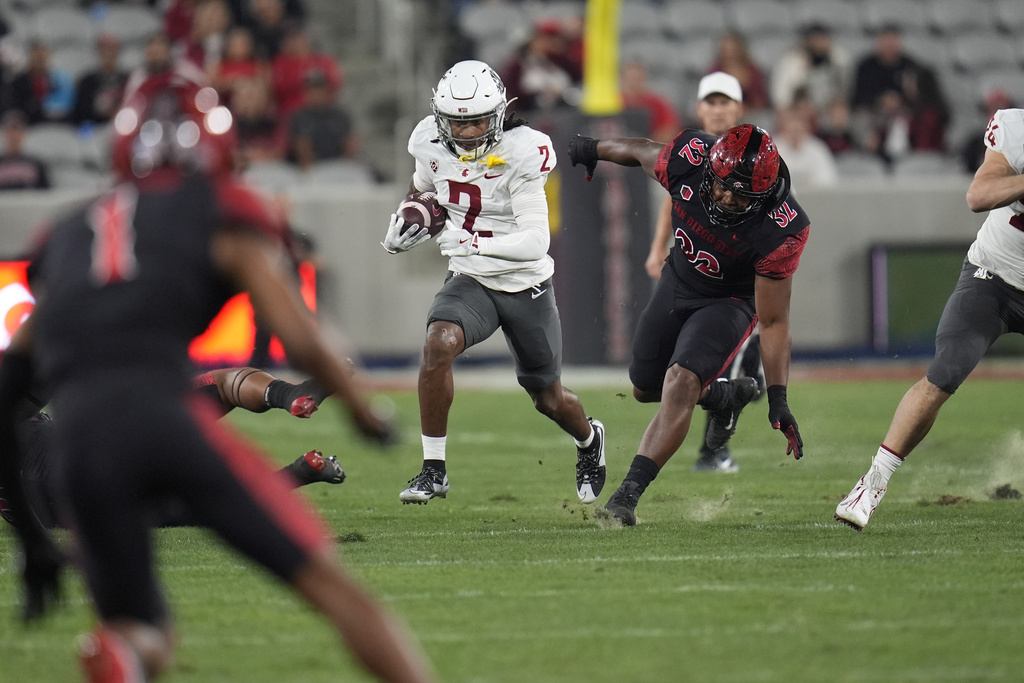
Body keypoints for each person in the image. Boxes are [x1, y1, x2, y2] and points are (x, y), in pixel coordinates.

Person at [0, 72, 435, 683]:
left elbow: (9, 383)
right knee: (336, 590)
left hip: (77, 444)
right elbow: (296, 325)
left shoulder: (68, 231)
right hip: (162, 417)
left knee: (139, 628)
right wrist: (363, 411)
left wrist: (28, 538)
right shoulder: (220, 209)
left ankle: (124, 656)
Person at [380, 60, 606, 506]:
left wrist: (475, 245)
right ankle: (433, 470)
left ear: (500, 114)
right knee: (438, 344)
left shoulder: (524, 149)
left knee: (548, 399)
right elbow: (423, 189)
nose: (464, 134)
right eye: (456, 124)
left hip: (525, 285)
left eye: (476, 122)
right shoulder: (427, 139)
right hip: (470, 281)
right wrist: (406, 222)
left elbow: (537, 241)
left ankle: (589, 439)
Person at [568, 123, 809, 525]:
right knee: (645, 388)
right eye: (721, 184)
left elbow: (774, 321)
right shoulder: (691, 159)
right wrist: (595, 148)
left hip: (728, 302)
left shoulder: (780, 228)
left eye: (739, 193)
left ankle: (626, 497)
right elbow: (642, 149)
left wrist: (779, 397)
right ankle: (722, 396)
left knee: (679, 382)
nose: (725, 196)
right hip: (678, 280)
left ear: (763, 195)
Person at [835, 107, 1024, 532]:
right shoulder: (1018, 129)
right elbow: (978, 195)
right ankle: (872, 484)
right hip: (993, 277)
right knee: (944, 373)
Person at [0, 367, 342, 529]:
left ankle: (299, 473)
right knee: (221, 385)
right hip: (91, 457)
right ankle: (289, 395)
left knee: (202, 507)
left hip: (74, 514)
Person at [644, 71, 762, 474]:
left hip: (739, 282)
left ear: (739, 108)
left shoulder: (757, 152)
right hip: (694, 271)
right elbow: (673, 202)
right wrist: (658, 247)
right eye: (710, 102)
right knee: (681, 370)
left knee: (730, 363)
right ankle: (717, 434)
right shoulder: (694, 149)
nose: (717, 109)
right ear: (699, 108)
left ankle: (715, 450)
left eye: (725, 102)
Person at [770, 23, 851, 126]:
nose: (821, 43)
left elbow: (842, 90)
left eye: (824, 39)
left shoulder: (835, 58)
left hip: (826, 109)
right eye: (817, 39)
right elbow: (781, 97)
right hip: (797, 108)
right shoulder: (791, 61)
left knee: (839, 111)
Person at [287, 68, 358, 170]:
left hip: (339, 165)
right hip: (311, 168)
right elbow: (301, 146)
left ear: (327, 90)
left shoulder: (341, 115)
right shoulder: (298, 117)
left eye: (320, 88)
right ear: (305, 92)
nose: (316, 93)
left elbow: (349, 143)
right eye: (312, 89)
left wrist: (347, 164)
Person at [772, 105, 839, 191]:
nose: (795, 134)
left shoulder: (818, 148)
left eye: (798, 129)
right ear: (783, 128)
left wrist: (810, 184)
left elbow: (829, 180)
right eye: (792, 129)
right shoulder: (773, 149)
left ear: (806, 128)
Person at [71, 34, 128, 127]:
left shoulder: (129, 79)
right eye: (105, 50)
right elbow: (81, 112)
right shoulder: (86, 81)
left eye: (113, 50)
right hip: (95, 128)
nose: (109, 54)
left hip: (123, 127)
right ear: (99, 53)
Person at [706, 31, 770, 113]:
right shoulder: (715, 72)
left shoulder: (752, 70)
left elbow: (759, 100)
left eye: (733, 48)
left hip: (751, 113)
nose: (730, 52)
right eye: (727, 48)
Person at [620, 60, 681, 144]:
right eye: (631, 77)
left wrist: (650, 144)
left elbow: (670, 129)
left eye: (637, 77)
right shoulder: (613, 102)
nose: (634, 81)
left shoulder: (657, 103)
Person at [0, 110, 50, 191]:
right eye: (10, 131)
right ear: (4, 133)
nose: (14, 136)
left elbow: (46, 194)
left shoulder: (36, 164)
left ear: (24, 134)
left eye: (18, 131)